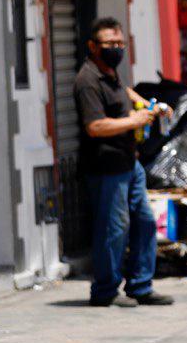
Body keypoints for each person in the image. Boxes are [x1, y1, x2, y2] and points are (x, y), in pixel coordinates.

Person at [75, 18, 175, 307]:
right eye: (109, 44)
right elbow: (94, 126)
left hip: (130, 164)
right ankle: (105, 290)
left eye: (120, 44)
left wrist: (148, 105)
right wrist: (133, 120)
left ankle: (141, 286)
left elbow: (125, 93)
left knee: (145, 221)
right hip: (106, 168)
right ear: (93, 46)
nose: (116, 49)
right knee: (114, 228)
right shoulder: (87, 81)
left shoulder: (112, 75)